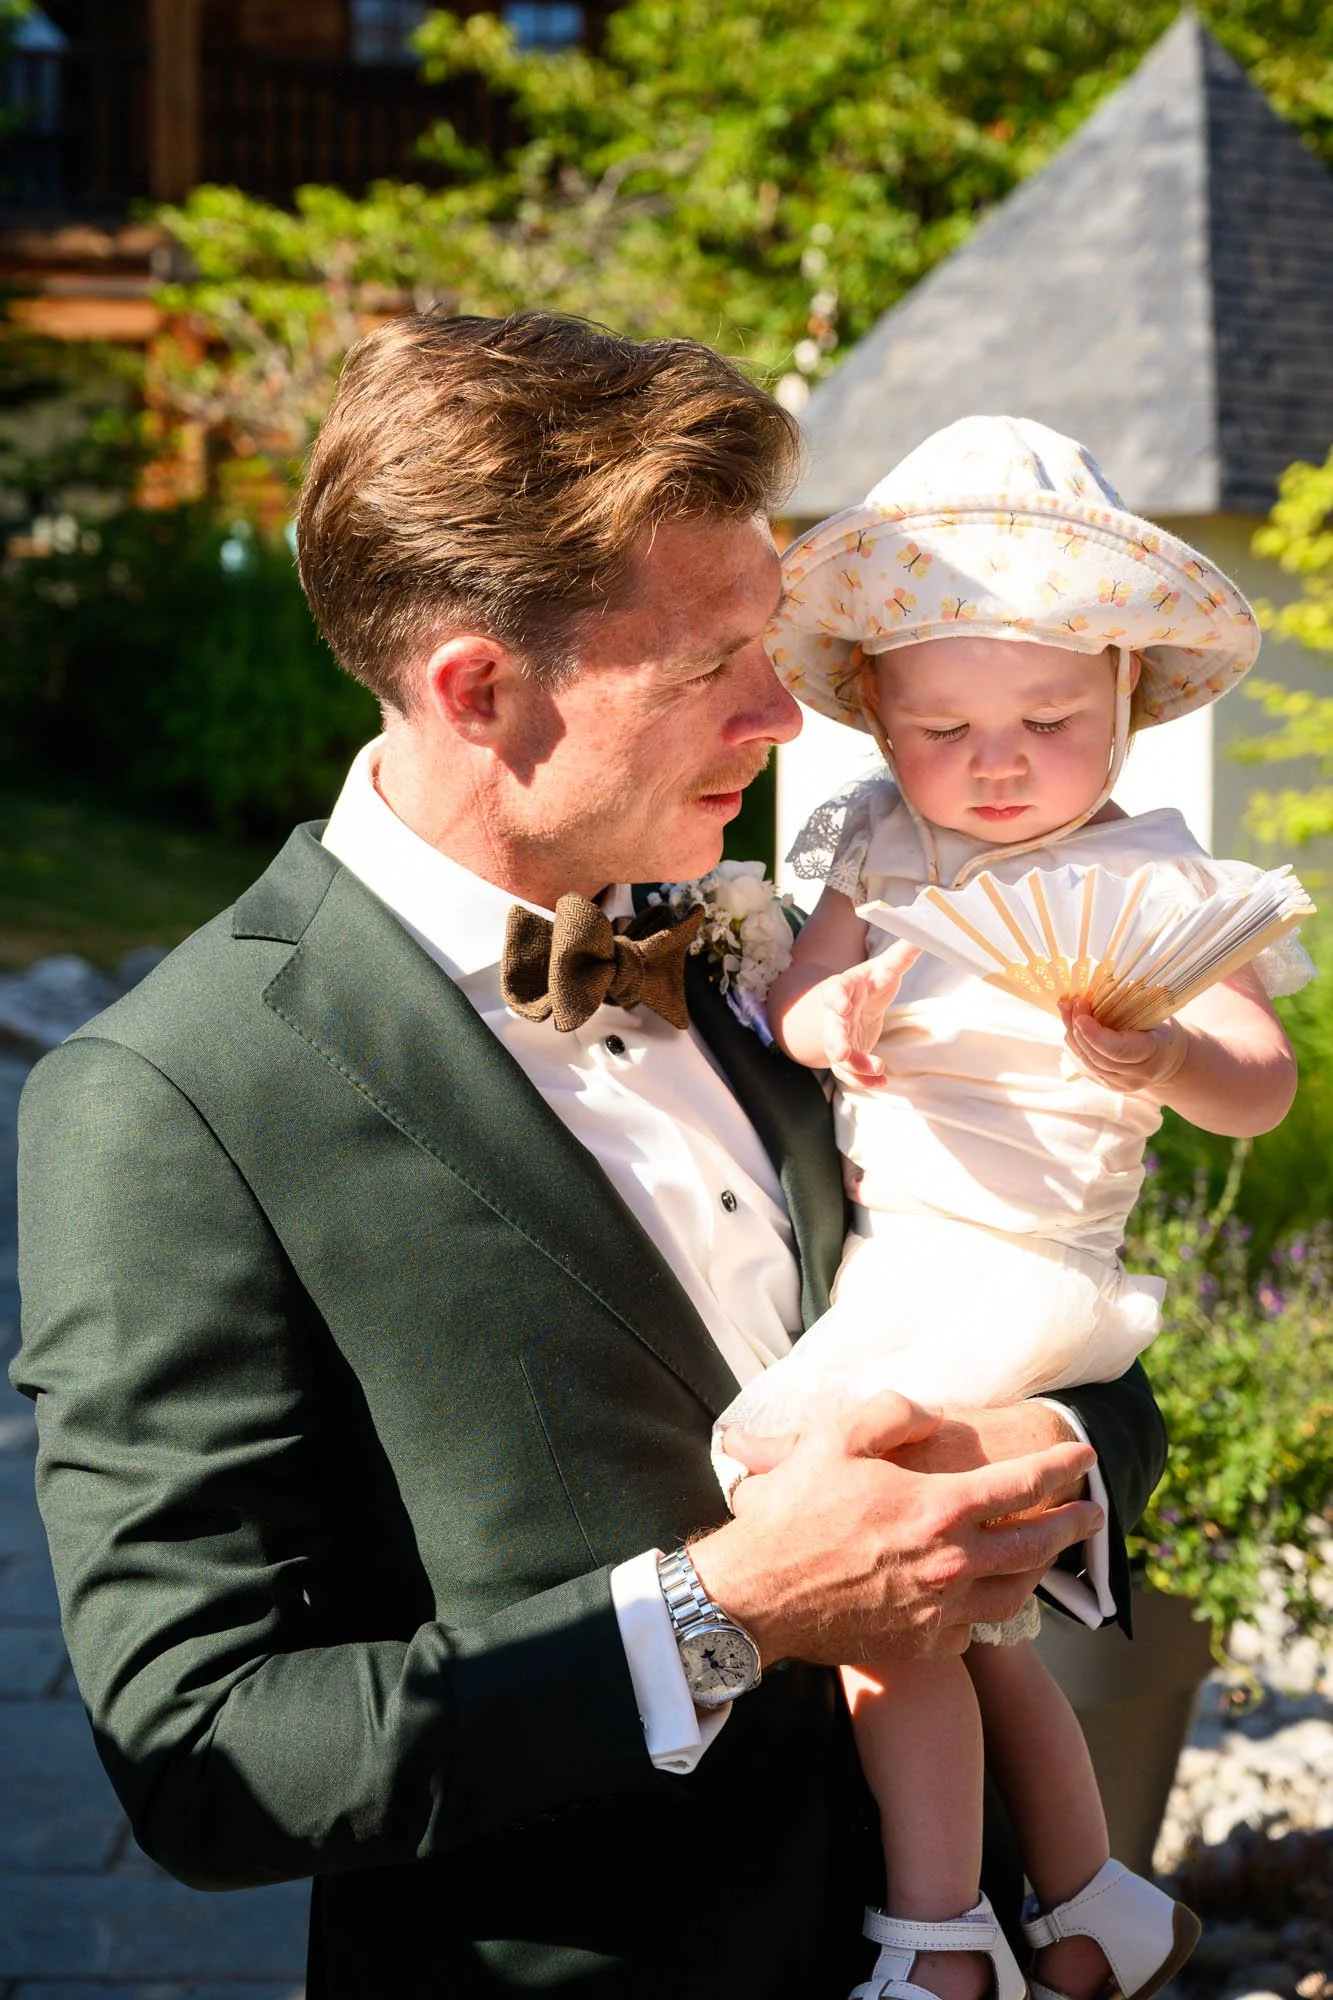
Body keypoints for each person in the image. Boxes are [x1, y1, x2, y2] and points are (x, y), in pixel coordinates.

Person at [14, 320, 1164, 2000]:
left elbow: (1088, 1353)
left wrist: (1034, 1453)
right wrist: (735, 1608)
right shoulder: (166, 1096)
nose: (787, 713)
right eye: (716, 666)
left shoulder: (793, 951)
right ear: (482, 690)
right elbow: (206, 1754)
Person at [721, 415, 1306, 2000]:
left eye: (1048, 717)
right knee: (968, 1615)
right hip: (906, 1258)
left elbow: (1263, 1082)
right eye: (940, 726)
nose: (993, 761)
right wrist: (825, 1022)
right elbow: (804, 1000)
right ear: (877, 721)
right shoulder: (875, 849)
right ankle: (1094, 1895)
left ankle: (936, 1938)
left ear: (1125, 698)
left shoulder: (1164, 884)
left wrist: (1171, 1045)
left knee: (836, 1514)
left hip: (1034, 1262)